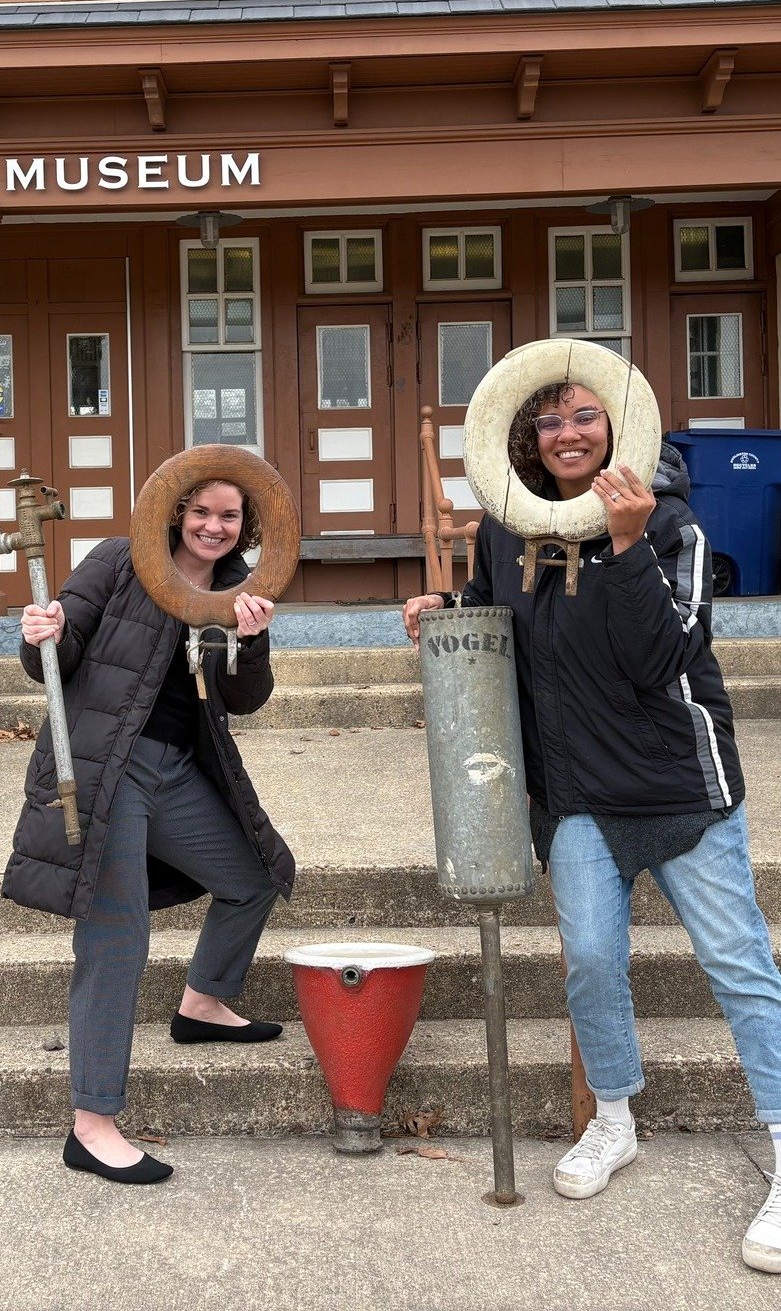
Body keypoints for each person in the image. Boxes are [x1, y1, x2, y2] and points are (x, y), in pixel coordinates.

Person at [404, 380, 781, 1274]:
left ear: (617, 426)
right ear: (526, 435)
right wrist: (446, 615)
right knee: (590, 964)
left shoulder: (670, 525)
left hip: (677, 787)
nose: (565, 433)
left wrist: (624, 543)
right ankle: (613, 1119)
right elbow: (500, 621)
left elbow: (661, 656)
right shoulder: (507, 526)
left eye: (583, 416)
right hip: (573, 791)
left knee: (738, 966)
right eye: (548, 419)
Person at [6, 477, 295, 1185]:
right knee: (116, 936)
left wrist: (251, 639)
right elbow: (55, 658)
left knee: (255, 877)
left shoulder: (237, 588)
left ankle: (203, 1002)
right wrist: (43, 634)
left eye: (229, 516)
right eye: (201, 511)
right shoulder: (119, 558)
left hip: (177, 768)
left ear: (247, 523)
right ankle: (92, 1124)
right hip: (107, 768)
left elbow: (244, 700)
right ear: (176, 511)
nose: (213, 526)